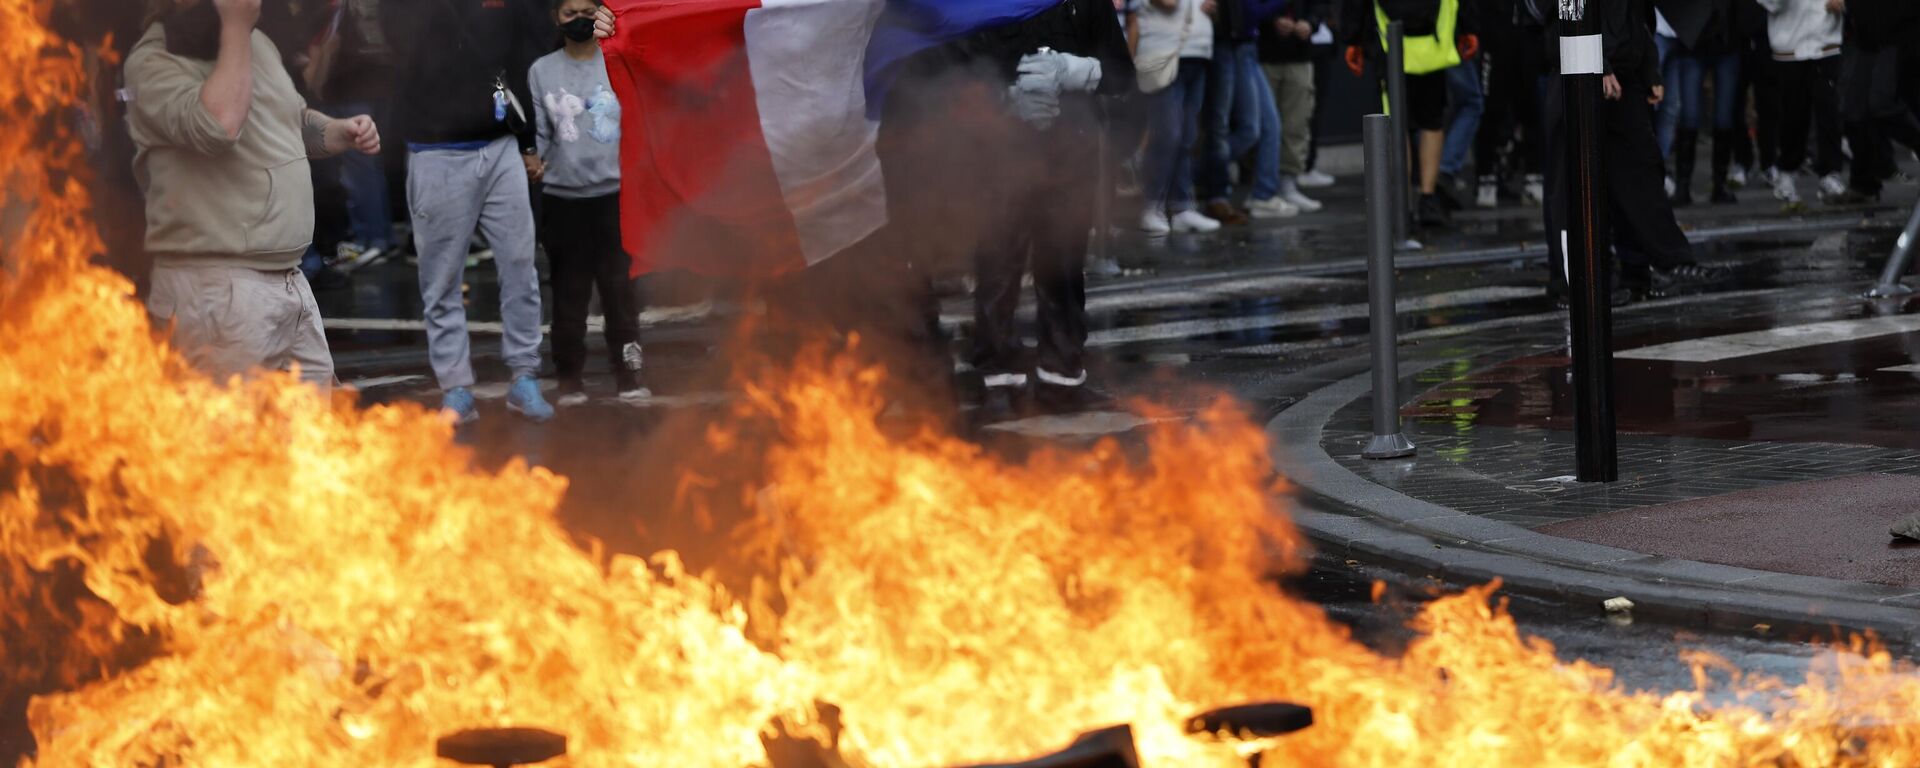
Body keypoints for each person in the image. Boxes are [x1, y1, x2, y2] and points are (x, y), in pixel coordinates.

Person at [126, 0, 383, 388]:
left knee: (314, 443)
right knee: (229, 444)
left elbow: (290, 118)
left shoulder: (254, 40)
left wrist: (337, 130)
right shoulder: (152, 61)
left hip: (289, 282)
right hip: (217, 291)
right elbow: (220, 125)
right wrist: (234, 27)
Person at [383, 0, 555, 424]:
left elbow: (525, 53)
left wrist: (528, 141)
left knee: (521, 267)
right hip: (435, 151)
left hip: (499, 147)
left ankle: (524, 375)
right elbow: (408, 52)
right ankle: (456, 387)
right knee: (441, 280)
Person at [1538, 0, 1721, 302]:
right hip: (1579, 70)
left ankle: (1653, 266)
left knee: (1641, 171)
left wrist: (1649, 69)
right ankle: (1577, 283)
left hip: (1621, 70)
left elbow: (1636, 15)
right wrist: (1597, 64)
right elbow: (1567, 14)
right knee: (1574, 182)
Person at [531, 0, 646, 406]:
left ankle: (629, 375)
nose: (579, 19)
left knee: (621, 294)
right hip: (564, 200)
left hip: (615, 197)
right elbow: (541, 135)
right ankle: (569, 381)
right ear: (556, 19)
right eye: (569, 12)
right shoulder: (541, 70)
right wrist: (534, 160)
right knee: (568, 295)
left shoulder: (617, 56)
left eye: (586, 10)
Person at [1343, 0, 1479, 229]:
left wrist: (1353, 38)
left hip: (1389, 45)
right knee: (1432, 122)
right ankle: (1428, 198)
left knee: (1397, 125)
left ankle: (1402, 206)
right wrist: (1469, 27)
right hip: (1433, 46)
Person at [1197, 0, 1295, 223]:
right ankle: (1205, 182)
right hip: (1230, 45)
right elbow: (1247, 11)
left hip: (1243, 44)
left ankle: (1205, 178)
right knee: (1231, 125)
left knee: (1257, 127)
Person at [1658, 0, 1762, 206]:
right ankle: (1684, 186)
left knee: (1723, 116)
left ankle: (1717, 184)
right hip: (1695, 42)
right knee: (1690, 115)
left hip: (1726, 42)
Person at [1136, 0, 1222, 234]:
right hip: (1165, 53)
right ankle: (1151, 207)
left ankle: (1181, 207)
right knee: (1167, 134)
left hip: (1197, 53)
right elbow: (1168, 3)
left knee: (1187, 136)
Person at [1827, 0, 1920, 204]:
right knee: (1853, 109)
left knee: (1883, 103)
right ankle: (1863, 183)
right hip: (1866, 37)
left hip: (1900, 36)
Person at [1755, 0, 1845, 204]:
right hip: (1790, 44)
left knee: (1828, 110)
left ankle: (1830, 173)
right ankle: (1788, 170)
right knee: (1794, 113)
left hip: (1826, 40)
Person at [1259, 0, 1331, 212]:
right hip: (1265, 54)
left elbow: (1319, 7)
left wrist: (1310, 23)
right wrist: (1272, 22)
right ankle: (1264, 187)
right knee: (1265, 126)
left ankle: (1288, 184)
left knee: (1297, 123)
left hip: (1300, 54)